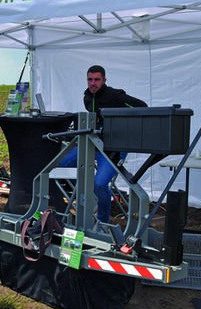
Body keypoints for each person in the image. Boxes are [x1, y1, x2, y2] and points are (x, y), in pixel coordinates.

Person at [59, 65, 146, 224]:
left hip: (113, 148)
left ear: (104, 80)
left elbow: (142, 106)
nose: (93, 83)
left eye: (97, 80)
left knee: (100, 184)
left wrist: (125, 127)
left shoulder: (114, 95)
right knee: (61, 165)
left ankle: (103, 221)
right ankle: (88, 195)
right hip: (92, 143)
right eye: (90, 79)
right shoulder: (87, 97)